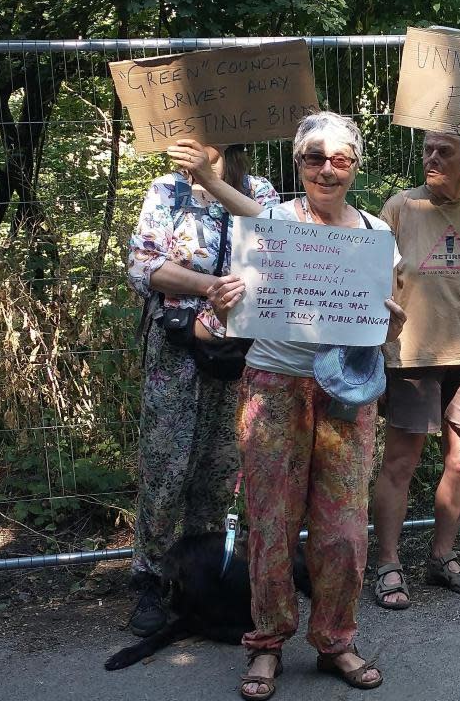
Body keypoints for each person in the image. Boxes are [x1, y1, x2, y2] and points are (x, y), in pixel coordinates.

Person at [203, 112, 404, 699]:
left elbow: (384, 327)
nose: (326, 169)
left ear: (356, 167)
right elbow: (228, 203)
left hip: (345, 395)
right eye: (314, 157)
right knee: (272, 522)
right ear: (298, 164)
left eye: (339, 159)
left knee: (342, 530)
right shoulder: (271, 225)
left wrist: (393, 328)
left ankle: (335, 639)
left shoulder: (373, 235)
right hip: (274, 387)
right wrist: (224, 298)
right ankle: (266, 644)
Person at [125, 139, 279, 635]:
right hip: (175, 353)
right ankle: (150, 579)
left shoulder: (259, 191)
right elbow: (143, 266)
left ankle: (199, 579)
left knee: (220, 470)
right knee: (166, 468)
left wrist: (215, 184)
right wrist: (208, 288)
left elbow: (283, 245)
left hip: (240, 353)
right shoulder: (166, 191)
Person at [370, 130, 460, 609]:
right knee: (400, 463)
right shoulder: (400, 208)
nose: (431, 158)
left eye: (444, 152)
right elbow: (375, 277)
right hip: (412, 357)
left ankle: (442, 556)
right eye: (428, 149)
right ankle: (388, 564)